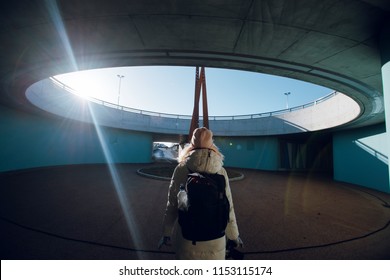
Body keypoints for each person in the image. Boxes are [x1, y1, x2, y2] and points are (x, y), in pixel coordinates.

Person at [158, 127, 243, 259]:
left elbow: (173, 204)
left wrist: (166, 232)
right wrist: (234, 236)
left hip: (187, 239)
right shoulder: (221, 171)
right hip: (216, 241)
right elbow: (228, 206)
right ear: (211, 144)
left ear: (191, 144)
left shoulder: (181, 169)